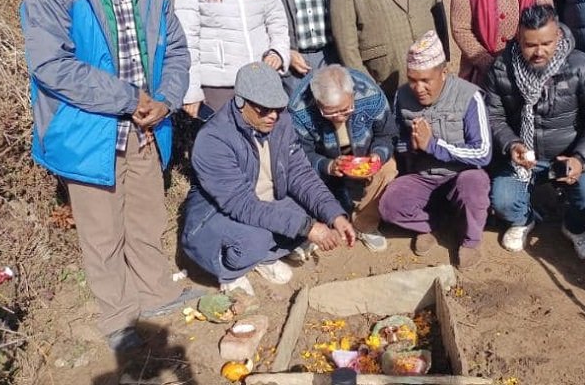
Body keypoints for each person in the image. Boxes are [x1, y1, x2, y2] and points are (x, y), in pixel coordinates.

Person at [21, 0, 198, 351]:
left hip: (146, 123)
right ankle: (118, 317)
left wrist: (166, 98)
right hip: (88, 128)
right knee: (101, 230)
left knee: (145, 217)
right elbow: (50, 64)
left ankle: (157, 293)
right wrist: (127, 98)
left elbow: (176, 50)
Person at [181, 63, 357, 295]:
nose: (273, 115)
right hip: (217, 215)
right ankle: (230, 273)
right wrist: (307, 227)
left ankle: (265, 257)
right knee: (258, 238)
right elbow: (242, 205)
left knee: (315, 212)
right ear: (241, 102)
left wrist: (334, 216)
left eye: (278, 107)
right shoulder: (214, 139)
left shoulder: (281, 122)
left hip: (265, 201)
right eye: (264, 109)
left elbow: (301, 174)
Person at [483, 5, 585, 260]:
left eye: (546, 43)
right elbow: (493, 117)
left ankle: (575, 228)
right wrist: (511, 145)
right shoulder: (502, 68)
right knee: (502, 202)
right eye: (529, 45)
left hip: (569, 154)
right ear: (518, 39)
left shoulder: (582, 66)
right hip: (522, 155)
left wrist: (582, 159)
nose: (538, 52)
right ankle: (525, 219)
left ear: (558, 36)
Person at [379, 31, 492, 270]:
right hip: (423, 176)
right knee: (390, 203)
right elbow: (395, 137)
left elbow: (483, 152)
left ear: (444, 73)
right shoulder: (402, 95)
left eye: (425, 81)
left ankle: (471, 241)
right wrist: (411, 144)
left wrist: (433, 145)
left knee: (475, 182)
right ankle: (428, 225)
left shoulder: (468, 96)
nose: (418, 88)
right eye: (412, 79)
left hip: (459, 176)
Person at [288, 65, 397, 252]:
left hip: (364, 153)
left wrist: (378, 154)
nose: (339, 117)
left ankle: (365, 223)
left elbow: (387, 135)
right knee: (302, 179)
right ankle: (319, 223)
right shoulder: (299, 109)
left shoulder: (370, 94)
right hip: (324, 158)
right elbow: (299, 154)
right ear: (317, 102)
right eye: (330, 112)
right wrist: (326, 165)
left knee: (388, 168)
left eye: (346, 110)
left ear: (353, 95)